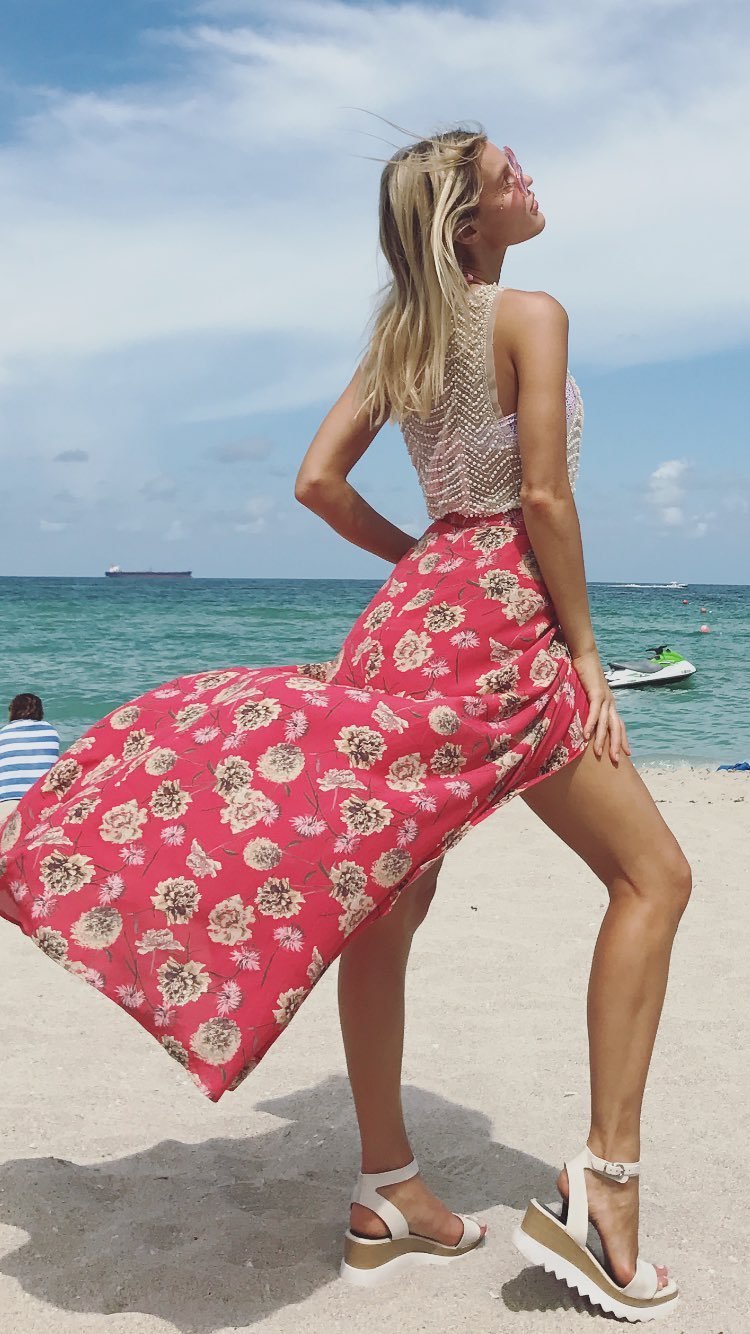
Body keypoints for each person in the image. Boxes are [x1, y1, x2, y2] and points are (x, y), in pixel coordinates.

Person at [0, 128, 688, 1321]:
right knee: (654, 877)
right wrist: (585, 651)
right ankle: (607, 1191)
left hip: (410, 616)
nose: (526, 174)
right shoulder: (531, 314)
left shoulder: (404, 339)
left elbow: (317, 481)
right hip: (502, 624)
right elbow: (541, 495)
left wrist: (422, 552)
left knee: (387, 897)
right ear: (466, 221)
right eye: (504, 173)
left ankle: (388, 1187)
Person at [0, 694, 59, 824]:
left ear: (12, 711)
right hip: (42, 800)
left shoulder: (3, 734)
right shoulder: (50, 732)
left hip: (8, 802)